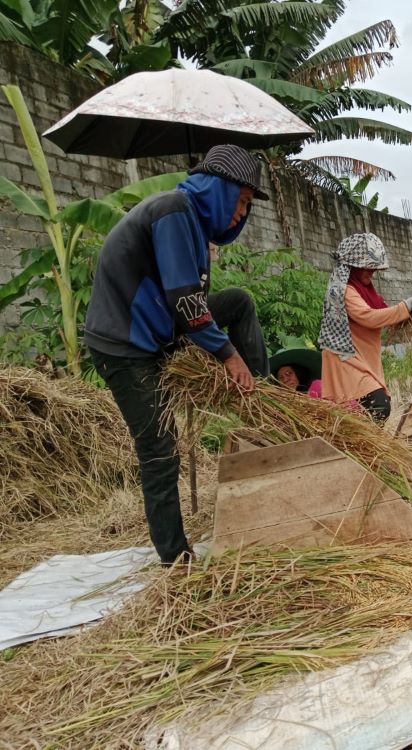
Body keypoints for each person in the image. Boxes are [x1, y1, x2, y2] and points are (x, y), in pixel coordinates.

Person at [85, 144, 271, 566]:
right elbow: (187, 303)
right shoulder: (172, 211)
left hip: (161, 330)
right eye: (241, 202)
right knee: (160, 448)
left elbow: (193, 300)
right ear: (220, 190)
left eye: (247, 207)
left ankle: (264, 396)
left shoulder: (192, 223)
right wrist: (227, 356)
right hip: (126, 346)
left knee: (237, 301)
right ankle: (176, 562)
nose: (243, 214)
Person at [317, 233, 412, 423]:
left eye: (374, 269)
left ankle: (363, 445)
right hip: (345, 359)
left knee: (373, 408)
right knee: (378, 405)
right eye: (368, 267)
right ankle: (361, 443)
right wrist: (406, 306)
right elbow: (369, 317)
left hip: (361, 358)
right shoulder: (343, 291)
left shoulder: (367, 292)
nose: (372, 273)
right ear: (353, 265)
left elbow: (386, 316)